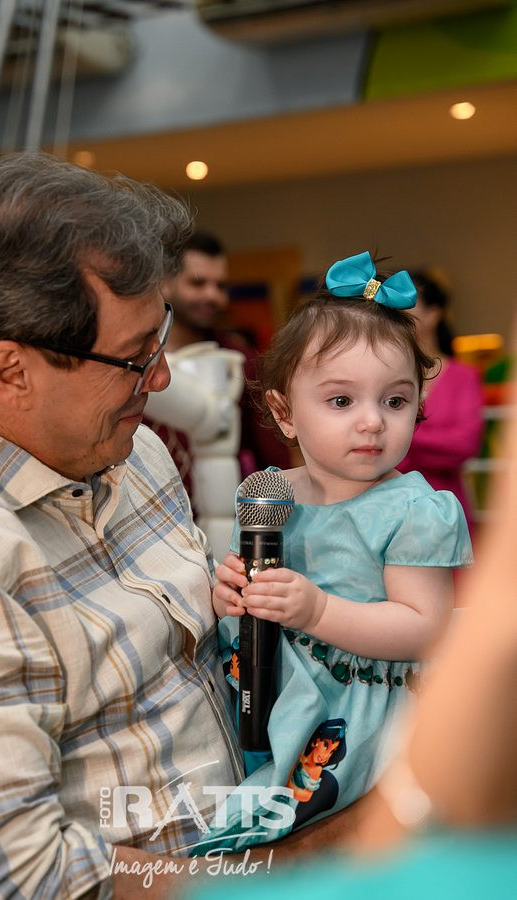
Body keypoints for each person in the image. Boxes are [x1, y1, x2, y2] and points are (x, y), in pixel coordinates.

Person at [0, 153, 361, 899]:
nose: (160, 378)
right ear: (10, 372)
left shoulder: (134, 454)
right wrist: (285, 871)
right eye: (134, 358)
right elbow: (10, 881)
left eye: (158, 341)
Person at [196, 251, 472, 854]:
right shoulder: (267, 493)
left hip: (362, 708)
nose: (372, 422)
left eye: (394, 401)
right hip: (267, 688)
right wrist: (232, 594)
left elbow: (423, 627)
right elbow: (256, 591)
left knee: (316, 841)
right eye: (342, 401)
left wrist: (318, 611)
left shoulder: (414, 509)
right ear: (284, 413)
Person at [146, 230, 290, 500]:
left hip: (220, 513)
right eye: (198, 283)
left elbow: (273, 461)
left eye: (220, 286)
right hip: (144, 510)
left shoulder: (240, 362)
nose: (211, 295)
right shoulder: (138, 359)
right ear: (165, 283)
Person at [397, 269, 484, 537]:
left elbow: (466, 443)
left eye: (408, 303)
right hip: (393, 507)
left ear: (433, 314)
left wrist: (403, 438)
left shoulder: (463, 376)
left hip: (448, 506)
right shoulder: (386, 376)